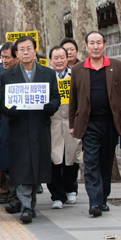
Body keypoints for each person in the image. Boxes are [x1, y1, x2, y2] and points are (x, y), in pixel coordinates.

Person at [0, 36, 61, 224]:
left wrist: (52, 106)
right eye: (21, 49)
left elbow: (56, 98)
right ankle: (26, 206)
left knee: (37, 167)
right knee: (22, 166)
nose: (26, 52)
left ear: (35, 52)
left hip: (40, 127)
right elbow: (1, 102)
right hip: (18, 127)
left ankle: (30, 203)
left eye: (29, 48)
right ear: (16, 54)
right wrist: (9, 109)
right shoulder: (6, 76)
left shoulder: (48, 74)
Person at [69, 31, 121, 217]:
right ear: (86, 46)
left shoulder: (117, 67)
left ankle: (102, 199)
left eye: (99, 43)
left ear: (104, 46)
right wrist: (72, 123)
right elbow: (73, 100)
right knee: (91, 161)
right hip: (89, 123)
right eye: (91, 43)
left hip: (111, 122)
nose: (95, 46)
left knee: (105, 161)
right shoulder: (78, 69)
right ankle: (94, 202)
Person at [47, 46, 82, 210]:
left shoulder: (75, 76)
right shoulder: (46, 77)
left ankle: (71, 189)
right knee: (54, 160)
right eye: (56, 58)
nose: (59, 61)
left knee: (72, 158)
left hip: (71, 123)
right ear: (50, 60)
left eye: (62, 57)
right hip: (53, 124)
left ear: (67, 58)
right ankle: (57, 196)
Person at [0, 43, 20, 212]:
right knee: (6, 160)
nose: (4, 60)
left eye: (7, 57)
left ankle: (22, 196)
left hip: (23, 122)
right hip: (3, 120)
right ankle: (12, 196)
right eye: (2, 57)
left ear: (16, 57)